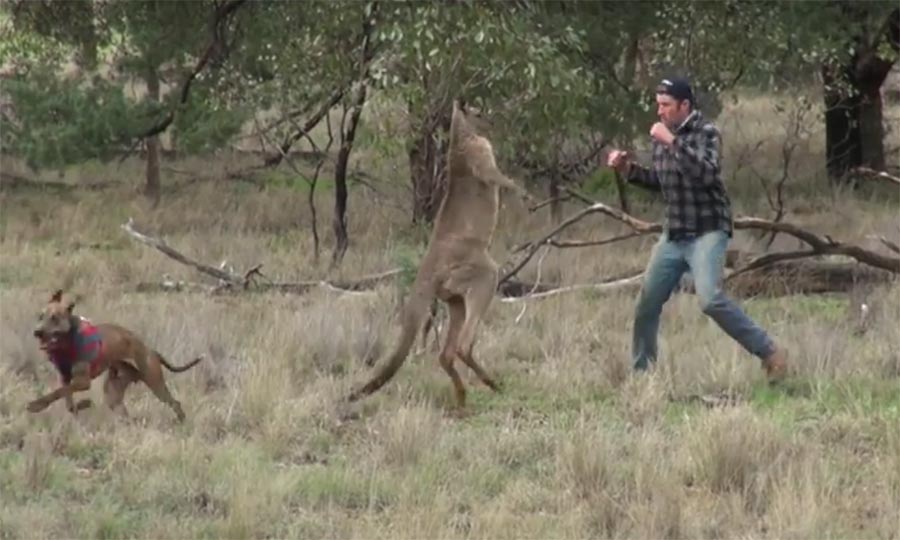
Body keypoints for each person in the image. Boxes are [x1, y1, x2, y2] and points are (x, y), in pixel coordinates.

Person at [607, 76, 788, 382]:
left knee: (710, 300)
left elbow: (705, 174)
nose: (660, 111)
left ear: (685, 106)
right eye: (658, 105)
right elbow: (662, 182)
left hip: (708, 230)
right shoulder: (664, 136)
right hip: (674, 233)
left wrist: (672, 142)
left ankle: (769, 352)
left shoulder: (706, 132)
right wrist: (628, 170)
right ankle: (642, 374)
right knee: (646, 304)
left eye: (666, 105)